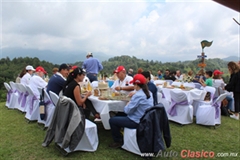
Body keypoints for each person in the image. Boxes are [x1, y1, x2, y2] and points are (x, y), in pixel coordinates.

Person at [109, 74, 153, 148]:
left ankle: (118, 141)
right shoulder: (149, 93)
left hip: (136, 121)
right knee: (119, 115)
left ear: (136, 85)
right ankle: (122, 132)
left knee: (112, 120)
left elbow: (127, 111)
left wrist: (127, 103)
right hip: (146, 119)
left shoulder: (138, 95)